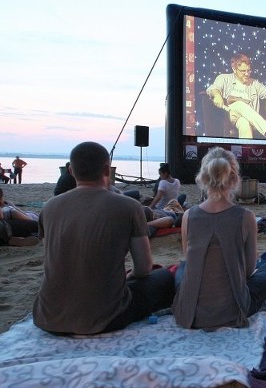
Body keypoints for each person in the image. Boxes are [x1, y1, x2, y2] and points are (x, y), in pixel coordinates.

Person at [32, 141, 175, 335]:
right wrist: (130, 277)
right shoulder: (129, 207)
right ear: (107, 170)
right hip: (107, 317)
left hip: (48, 317)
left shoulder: (49, 207)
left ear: (71, 170)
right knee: (166, 278)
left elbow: (54, 258)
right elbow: (143, 268)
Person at [172, 147, 266, 330]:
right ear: (234, 179)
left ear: (203, 178)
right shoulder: (246, 216)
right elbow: (248, 271)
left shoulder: (188, 216)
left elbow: (190, 259)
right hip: (233, 310)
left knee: (183, 267)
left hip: (191, 312)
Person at [206, 53, 266, 139]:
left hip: (249, 119)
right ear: (234, 69)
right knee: (239, 104)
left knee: (244, 122)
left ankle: (247, 150)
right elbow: (212, 88)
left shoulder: (254, 83)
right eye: (243, 71)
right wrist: (217, 95)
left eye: (248, 70)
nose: (247, 74)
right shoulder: (224, 78)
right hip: (229, 116)